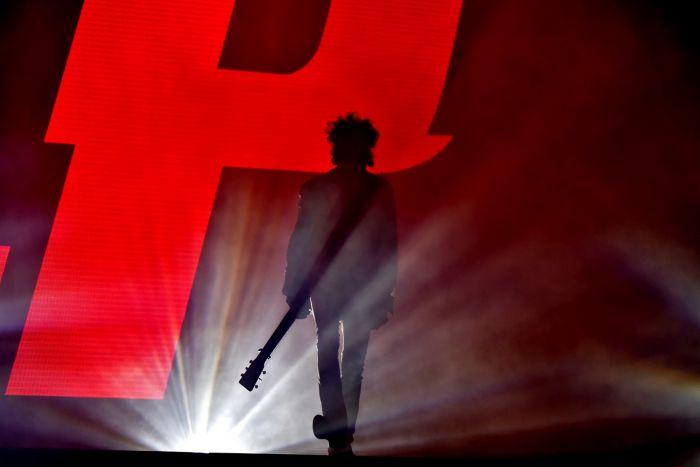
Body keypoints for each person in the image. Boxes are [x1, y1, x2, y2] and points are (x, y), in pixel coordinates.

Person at [283, 113, 397, 456]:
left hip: (328, 285)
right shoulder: (378, 190)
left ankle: (338, 432)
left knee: (329, 355)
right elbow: (387, 245)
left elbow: (300, 242)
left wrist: (294, 288)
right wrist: (385, 294)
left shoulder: (316, 189)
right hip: (361, 286)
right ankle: (342, 436)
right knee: (351, 363)